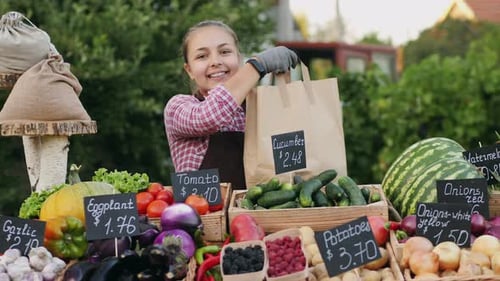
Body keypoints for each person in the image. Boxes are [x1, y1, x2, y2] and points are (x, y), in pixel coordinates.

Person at [164, 20, 299, 189]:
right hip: (203, 215)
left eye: (224, 51)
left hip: (253, 212)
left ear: (239, 59)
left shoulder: (258, 110)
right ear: (189, 70)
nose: (215, 61)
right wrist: (258, 66)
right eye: (202, 56)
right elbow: (210, 116)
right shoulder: (178, 107)